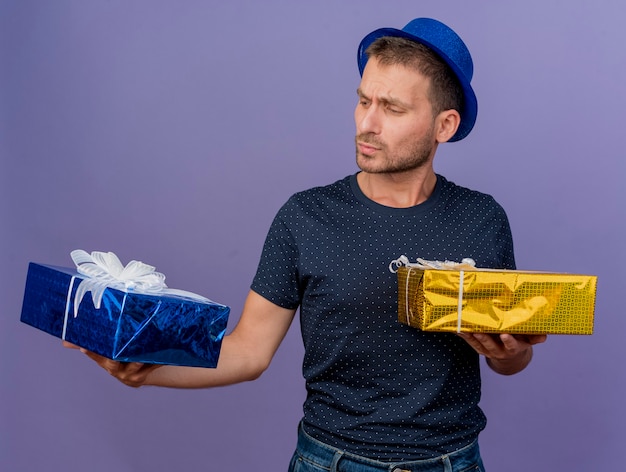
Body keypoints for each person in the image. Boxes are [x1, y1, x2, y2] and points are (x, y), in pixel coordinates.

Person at [73, 18, 547, 472]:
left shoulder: (483, 219)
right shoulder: (305, 217)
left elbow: (509, 353)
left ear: (444, 125)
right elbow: (248, 351)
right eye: (363, 101)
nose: (367, 123)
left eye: (393, 108)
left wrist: (511, 355)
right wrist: (148, 369)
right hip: (330, 461)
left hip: (453, 463)